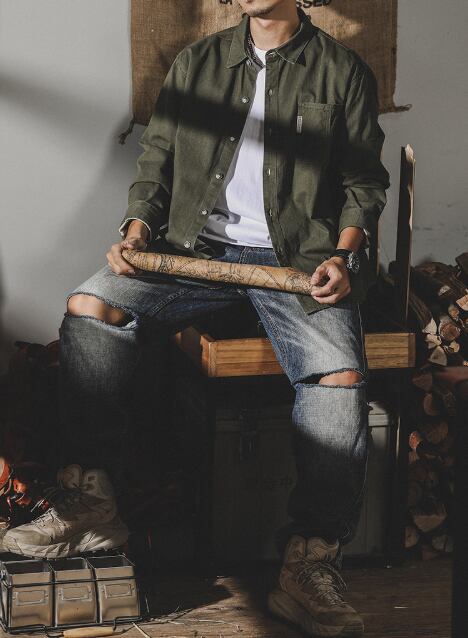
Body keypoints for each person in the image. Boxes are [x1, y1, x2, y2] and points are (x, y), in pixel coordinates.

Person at [3, 1, 390, 635]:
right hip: (194, 251)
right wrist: (136, 231)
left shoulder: (341, 70)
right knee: (90, 305)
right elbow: (156, 157)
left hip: (298, 262)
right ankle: (93, 499)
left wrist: (343, 257)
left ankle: (311, 559)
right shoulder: (198, 62)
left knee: (338, 378)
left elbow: (363, 182)